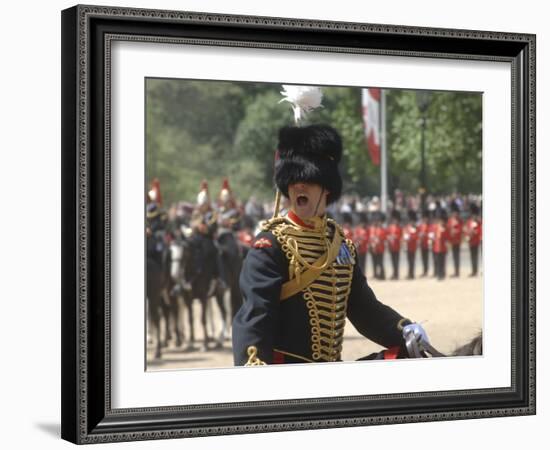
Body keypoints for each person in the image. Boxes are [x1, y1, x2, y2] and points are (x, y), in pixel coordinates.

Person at [232, 124, 429, 365]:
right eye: (292, 180)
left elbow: (364, 310)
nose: (299, 185)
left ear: (326, 187)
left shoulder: (340, 243)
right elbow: (255, 319)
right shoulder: (270, 246)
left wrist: (405, 330)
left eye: (308, 179)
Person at [430, 209, 449, 281]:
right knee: (437, 262)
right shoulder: (436, 227)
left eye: (442, 220)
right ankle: (438, 274)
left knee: (443, 261)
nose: (441, 222)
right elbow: (433, 235)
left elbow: (447, 237)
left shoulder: (445, 227)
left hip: (443, 247)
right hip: (437, 247)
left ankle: (442, 274)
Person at [464, 203, 482, 276]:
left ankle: (476, 270)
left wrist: (475, 232)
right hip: (470, 241)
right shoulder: (469, 221)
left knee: (476, 256)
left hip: (476, 240)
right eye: (473, 215)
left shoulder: (478, 222)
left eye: (475, 215)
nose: (474, 216)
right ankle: (473, 271)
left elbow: (480, 230)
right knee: (472, 257)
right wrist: (467, 235)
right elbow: (466, 229)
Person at [447, 201, 463, 277]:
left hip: (457, 240)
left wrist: (456, 231)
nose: (455, 214)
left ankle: (457, 272)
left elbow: (461, 229)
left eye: (456, 213)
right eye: (454, 213)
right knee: (454, 257)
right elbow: (448, 228)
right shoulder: (450, 220)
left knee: (457, 256)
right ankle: (455, 271)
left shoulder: (459, 220)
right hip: (452, 241)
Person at [403, 210, 419, 279]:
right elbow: (404, 235)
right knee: (409, 261)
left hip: (413, 246)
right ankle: (409, 273)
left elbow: (416, 237)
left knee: (412, 261)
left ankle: (412, 274)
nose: (412, 222)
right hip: (408, 246)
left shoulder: (415, 228)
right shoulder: (407, 227)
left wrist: (411, 237)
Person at [387, 210, 402, 280]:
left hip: (397, 246)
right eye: (394, 220)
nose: (395, 221)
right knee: (392, 261)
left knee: (396, 261)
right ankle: (394, 273)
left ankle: (396, 274)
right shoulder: (390, 227)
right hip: (391, 246)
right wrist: (389, 237)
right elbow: (387, 234)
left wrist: (395, 237)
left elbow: (400, 236)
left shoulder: (399, 227)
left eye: (396, 220)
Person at [418, 210, 432, 277]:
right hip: (422, 243)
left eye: (426, 218)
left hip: (427, 243)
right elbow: (418, 233)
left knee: (427, 258)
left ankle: (426, 270)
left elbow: (430, 234)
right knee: (423, 258)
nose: (425, 219)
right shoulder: (421, 225)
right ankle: (424, 271)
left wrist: (425, 234)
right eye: (424, 218)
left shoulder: (429, 225)